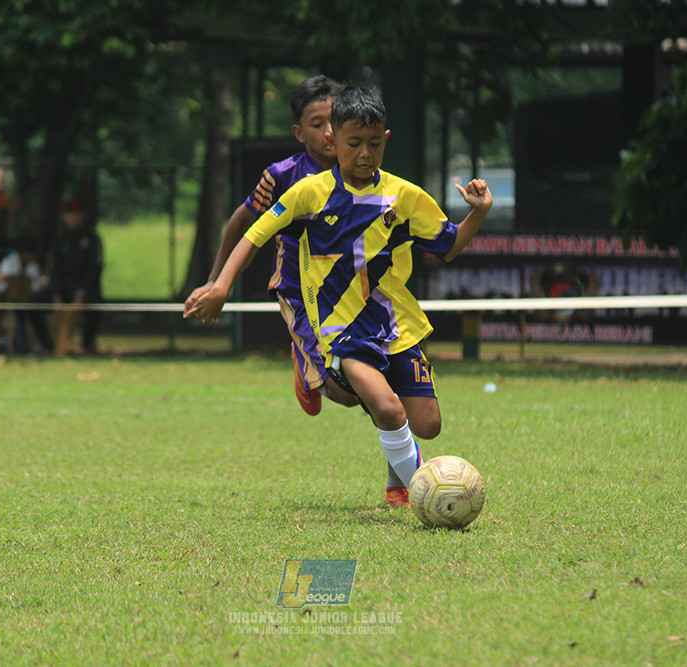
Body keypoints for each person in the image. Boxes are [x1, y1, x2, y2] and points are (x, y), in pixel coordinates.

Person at [186, 86, 494, 504]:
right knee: (386, 409)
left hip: (397, 325)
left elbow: (450, 245)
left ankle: (410, 479)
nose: (364, 154)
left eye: (373, 143)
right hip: (341, 329)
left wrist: (478, 212)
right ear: (334, 139)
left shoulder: (405, 196)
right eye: (353, 144)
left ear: (386, 139)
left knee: (429, 424)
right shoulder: (308, 191)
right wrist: (220, 285)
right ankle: (428, 495)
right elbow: (254, 235)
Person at [185, 74, 358, 417]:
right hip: (297, 289)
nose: (327, 132)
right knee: (346, 393)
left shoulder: (360, 169)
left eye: (333, 122)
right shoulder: (282, 176)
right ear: (299, 133)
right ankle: (306, 368)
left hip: (347, 287)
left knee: (367, 382)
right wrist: (214, 279)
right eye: (316, 124)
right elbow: (240, 221)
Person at [48, 197, 103, 356]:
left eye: (75, 213)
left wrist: (80, 294)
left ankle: (86, 346)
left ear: (82, 216)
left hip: (85, 290)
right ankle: (47, 345)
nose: (71, 217)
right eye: (69, 213)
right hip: (64, 289)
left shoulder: (92, 239)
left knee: (95, 305)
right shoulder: (60, 240)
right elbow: (55, 269)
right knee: (35, 303)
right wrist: (56, 294)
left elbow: (94, 270)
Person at [0, 235, 54, 353]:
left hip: (26, 301)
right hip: (7, 300)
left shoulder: (32, 265)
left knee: (31, 311)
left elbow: (35, 282)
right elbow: (2, 285)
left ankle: (29, 345)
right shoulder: (8, 263)